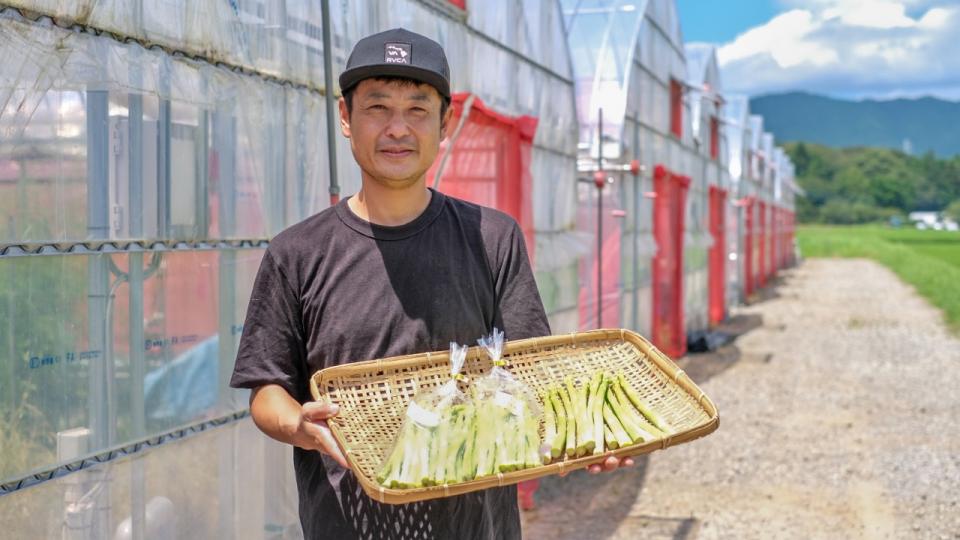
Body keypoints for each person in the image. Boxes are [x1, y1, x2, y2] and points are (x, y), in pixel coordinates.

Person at [230, 28, 631, 539]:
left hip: (475, 525)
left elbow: (533, 373)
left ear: (444, 125)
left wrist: (586, 433)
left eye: (417, 110)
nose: (398, 128)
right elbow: (267, 388)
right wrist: (299, 426)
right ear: (346, 118)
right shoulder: (297, 252)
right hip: (347, 523)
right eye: (378, 107)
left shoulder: (492, 237)